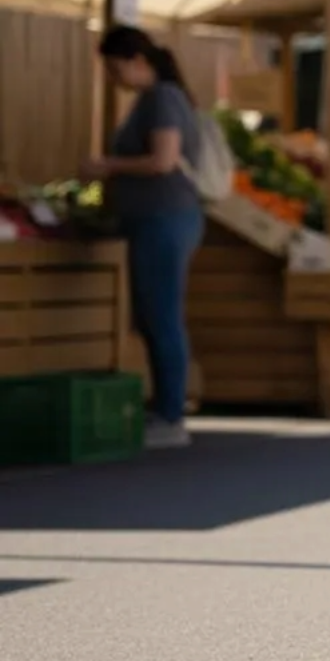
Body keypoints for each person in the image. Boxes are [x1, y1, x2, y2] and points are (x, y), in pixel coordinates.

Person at [81, 25, 204, 449]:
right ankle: (166, 410)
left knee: (162, 315)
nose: (114, 79)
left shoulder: (162, 99)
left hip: (163, 218)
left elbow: (163, 160)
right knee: (155, 316)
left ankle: (171, 415)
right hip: (155, 218)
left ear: (137, 61)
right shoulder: (160, 98)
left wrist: (109, 166)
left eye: (116, 69)